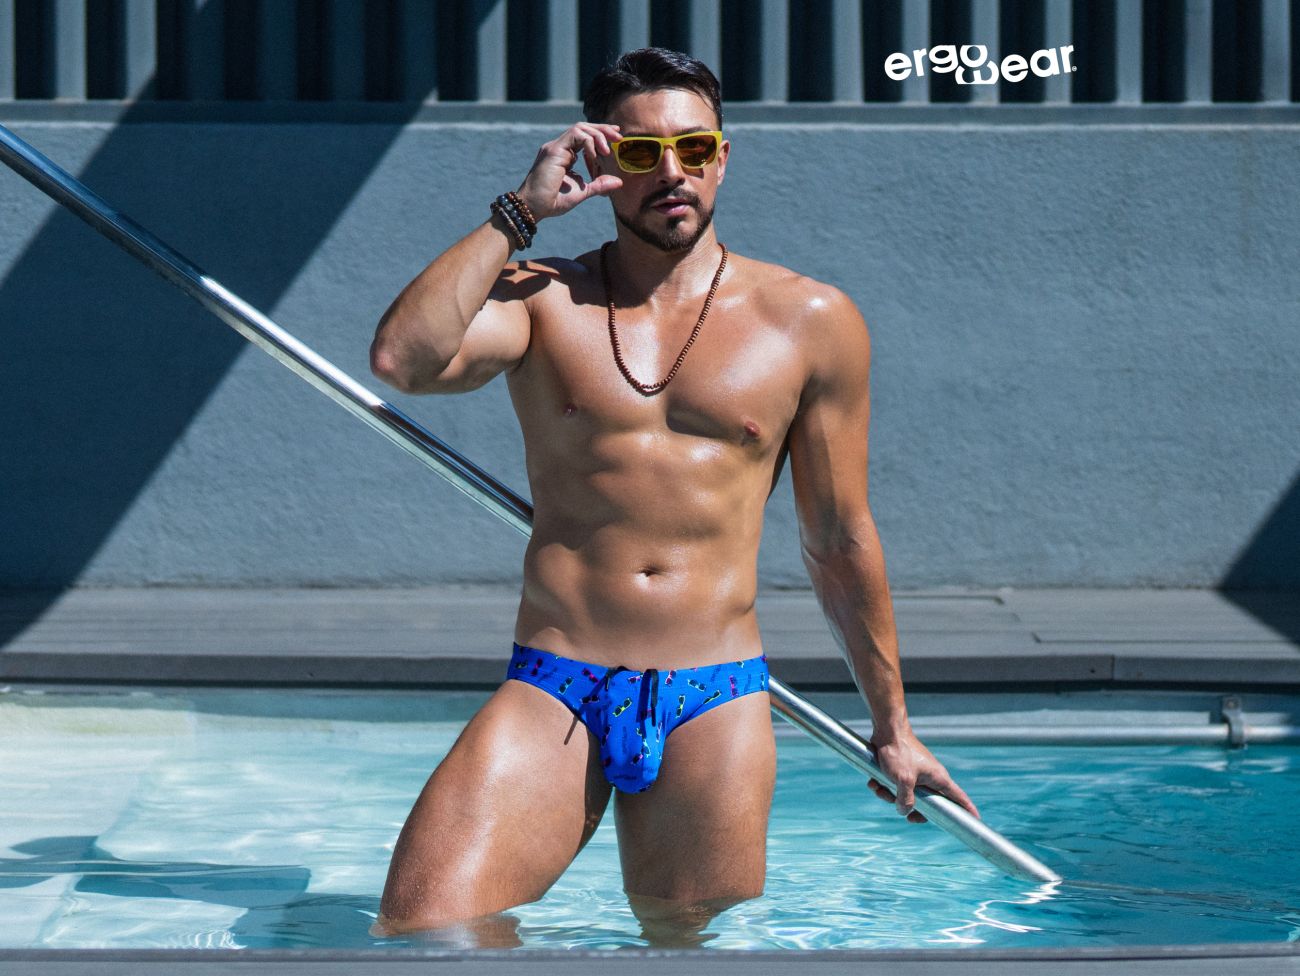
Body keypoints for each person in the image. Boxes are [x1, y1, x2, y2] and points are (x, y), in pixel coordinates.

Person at [368, 47, 978, 944]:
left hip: (714, 695)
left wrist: (894, 726)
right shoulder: (543, 298)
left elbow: (839, 538)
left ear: (721, 157)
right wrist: (518, 213)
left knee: (685, 947)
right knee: (424, 932)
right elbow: (402, 360)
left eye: (694, 149)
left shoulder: (809, 321)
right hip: (556, 684)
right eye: (642, 153)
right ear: (600, 161)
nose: (673, 173)